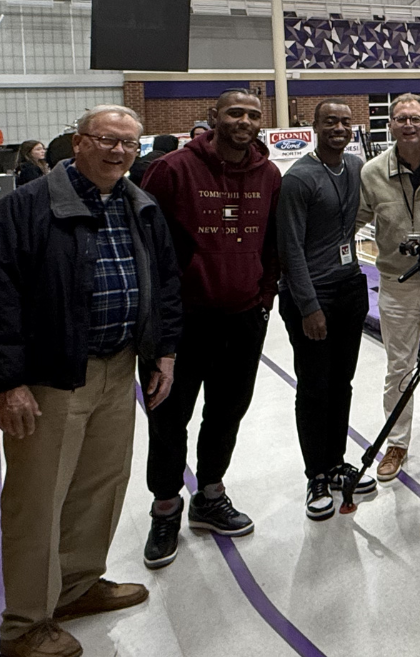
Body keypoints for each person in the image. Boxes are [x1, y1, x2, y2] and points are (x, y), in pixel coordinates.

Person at [0, 105, 182, 657]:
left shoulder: (139, 205)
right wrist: (10, 381)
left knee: (99, 485)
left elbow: (165, 281)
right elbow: (2, 298)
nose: (119, 151)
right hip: (51, 377)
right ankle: (24, 622)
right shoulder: (25, 208)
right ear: (78, 143)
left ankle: (77, 587)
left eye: (130, 143)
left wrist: (164, 353)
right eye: (107, 140)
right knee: (37, 498)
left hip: (117, 366)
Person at [140, 89, 281, 570]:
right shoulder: (172, 170)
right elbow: (147, 245)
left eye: (253, 115)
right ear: (213, 117)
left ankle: (210, 494)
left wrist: (263, 298)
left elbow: (272, 245)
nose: (244, 121)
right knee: (168, 416)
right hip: (182, 320)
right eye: (235, 113)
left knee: (227, 411)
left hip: (242, 317)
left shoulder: (268, 175)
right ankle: (165, 507)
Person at [277, 99, 373, 520]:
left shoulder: (354, 167)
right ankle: (316, 473)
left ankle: (336, 463)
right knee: (314, 387)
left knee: (342, 382)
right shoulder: (298, 179)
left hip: (350, 287)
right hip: (313, 294)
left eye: (345, 121)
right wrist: (308, 305)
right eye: (330, 121)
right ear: (313, 126)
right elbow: (290, 250)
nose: (339, 127)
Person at [356, 93, 420, 482]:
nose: (409, 125)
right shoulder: (371, 172)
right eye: (401, 119)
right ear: (391, 126)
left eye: (416, 118)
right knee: (398, 366)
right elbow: (356, 219)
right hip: (395, 282)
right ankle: (396, 443)